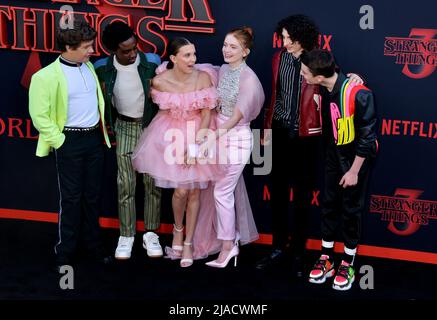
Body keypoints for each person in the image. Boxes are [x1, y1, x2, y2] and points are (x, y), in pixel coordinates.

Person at [257, 14, 363, 276]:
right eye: (281, 37)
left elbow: (337, 83)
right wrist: (267, 128)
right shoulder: (278, 58)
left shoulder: (317, 59)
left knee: (303, 195)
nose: (283, 42)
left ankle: (299, 252)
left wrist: (356, 79)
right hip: (280, 132)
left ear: (300, 38)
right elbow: (276, 93)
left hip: (308, 136)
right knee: (278, 192)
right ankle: (278, 247)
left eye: (287, 38)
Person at [29, 19, 113, 272]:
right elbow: (39, 115)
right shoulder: (44, 76)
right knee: (72, 199)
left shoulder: (88, 68)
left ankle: (93, 246)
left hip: (94, 141)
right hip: (70, 142)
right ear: (68, 46)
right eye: (87, 46)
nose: (92, 51)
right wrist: (60, 142)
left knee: (92, 196)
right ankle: (65, 251)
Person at [131, 37, 219, 267]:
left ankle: (188, 242)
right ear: (173, 58)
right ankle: (177, 230)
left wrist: (197, 146)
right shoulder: (160, 82)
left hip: (198, 133)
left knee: (194, 192)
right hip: (170, 135)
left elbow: (207, 113)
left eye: (194, 54)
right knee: (180, 191)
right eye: (187, 55)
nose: (193, 60)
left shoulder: (203, 78)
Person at [300, 49, 378, 291]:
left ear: (319, 76)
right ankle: (327, 257)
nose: (303, 76)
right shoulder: (326, 85)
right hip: (334, 155)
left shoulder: (360, 94)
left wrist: (354, 171)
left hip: (357, 160)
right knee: (329, 204)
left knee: (351, 209)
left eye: (305, 73)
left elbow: (367, 139)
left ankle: (348, 261)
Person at [192, 27, 264, 268]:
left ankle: (228, 246)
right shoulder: (222, 69)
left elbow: (236, 117)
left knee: (222, 193)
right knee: (219, 192)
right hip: (218, 135)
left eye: (233, 47)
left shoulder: (249, 79)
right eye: (225, 44)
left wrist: (211, 138)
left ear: (246, 51)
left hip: (236, 139)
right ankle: (226, 241)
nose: (226, 50)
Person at [94, 21, 163, 260]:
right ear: (113, 50)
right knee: (125, 184)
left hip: (151, 126)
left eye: (135, 47)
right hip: (124, 127)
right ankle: (126, 235)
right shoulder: (102, 67)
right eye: (126, 50)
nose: (133, 53)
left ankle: (151, 233)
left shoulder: (152, 62)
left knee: (152, 184)